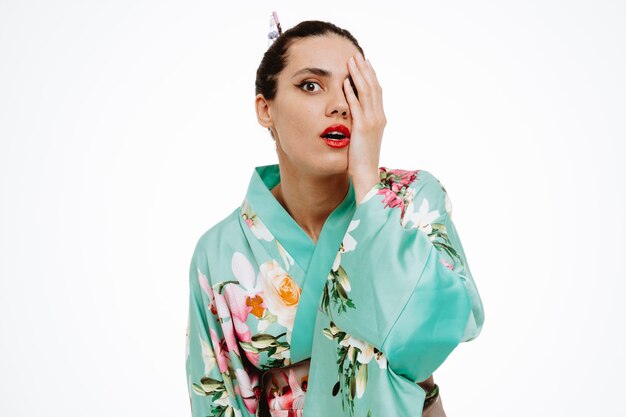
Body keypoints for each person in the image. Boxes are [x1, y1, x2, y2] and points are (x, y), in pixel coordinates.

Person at [185, 18, 484, 417]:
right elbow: (218, 401)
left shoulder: (412, 199)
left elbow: (451, 324)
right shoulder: (220, 251)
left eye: (352, 88)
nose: (340, 105)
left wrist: (367, 185)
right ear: (265, 108)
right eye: (311, 85)